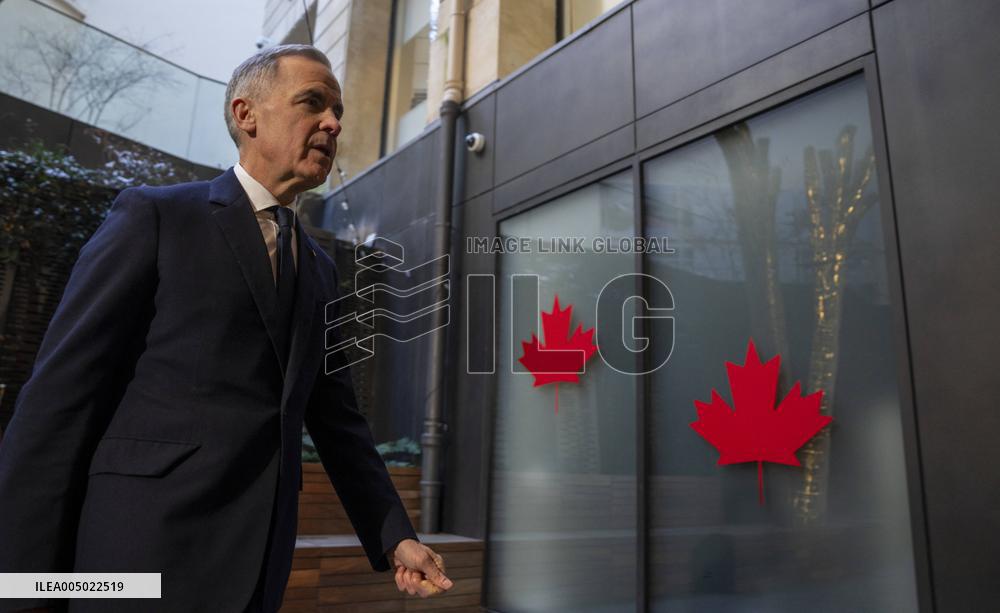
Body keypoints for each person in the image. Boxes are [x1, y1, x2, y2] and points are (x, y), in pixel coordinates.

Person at [0, 44, 452, 612]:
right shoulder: (157, 217)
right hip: (137, 560)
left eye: (337, 111)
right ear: (246, 114)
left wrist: (395, 537)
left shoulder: (318, 269)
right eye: (313, 102)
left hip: (257, 570)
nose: (333, 123)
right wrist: (22, 588)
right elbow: (59, 402)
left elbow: (337, 418)